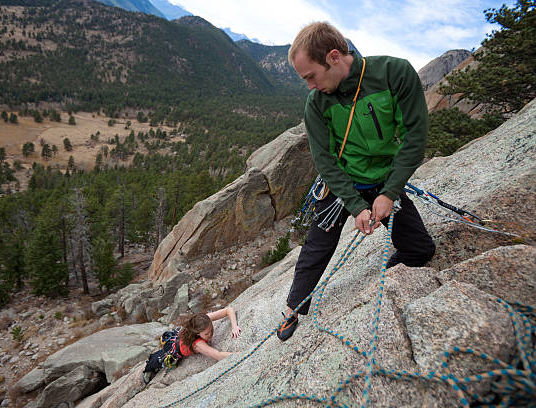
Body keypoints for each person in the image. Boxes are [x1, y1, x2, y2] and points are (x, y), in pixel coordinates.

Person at [277, 22, 435, 341]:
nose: (309, 86)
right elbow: (325, 160)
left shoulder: (394, 73)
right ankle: (294, 307)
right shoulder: (317, 104)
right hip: (342, 185)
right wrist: (354, 205)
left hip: (384, 180)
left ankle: (396, 259)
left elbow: (414, 137)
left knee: (420, 251)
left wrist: (389, 193)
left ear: (334, 57)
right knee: (317, 247)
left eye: (310, 76)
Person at [143, 306, 241, 384]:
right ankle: (147, 370)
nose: (210, 334)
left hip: (178, 337)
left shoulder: (204, 321)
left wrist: (234, 326)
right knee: (156, 361)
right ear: (197, 333)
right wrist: (241, 354)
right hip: (174, 348)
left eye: (211, 329)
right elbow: (218, 355)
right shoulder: (198, 344)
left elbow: (228, 310)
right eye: (206, 334)